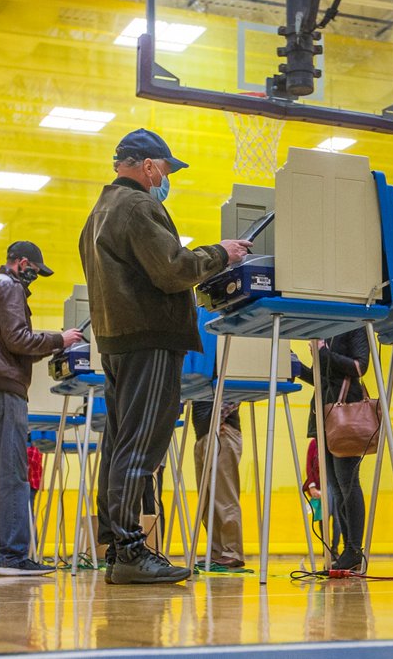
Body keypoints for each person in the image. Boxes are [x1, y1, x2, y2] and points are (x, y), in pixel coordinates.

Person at [79, 127, 249, 585]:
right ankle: (132, 551)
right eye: (166, 169)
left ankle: (118, 548)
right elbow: (173, 270)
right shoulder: (137, 206)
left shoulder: (98, 212)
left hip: (117, 341)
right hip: (149, 338)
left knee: (118, 443)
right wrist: (221, 254)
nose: (166, 178)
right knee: (143, 443)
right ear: (148, 165)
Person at [0, 241, 83, 577]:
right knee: (13, 472)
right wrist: (59, 340)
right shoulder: (9, 288)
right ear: (22, 263)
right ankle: (12, 556)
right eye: (35, 272)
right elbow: (18, 339)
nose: (34, 278)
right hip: (3, 389)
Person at [298, 330, 372, 573]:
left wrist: (323, 352)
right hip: (325, 413)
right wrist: (299, 368)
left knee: (348, 483)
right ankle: (347, 552)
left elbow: (360, 367)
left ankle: (354, 549)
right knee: (337, 488)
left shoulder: (355, 326)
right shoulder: (323, 332)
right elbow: (324, 378)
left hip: (345, 413)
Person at [192, 400, 245, 570]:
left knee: (224, 498)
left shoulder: (225, 371)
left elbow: (234, 392)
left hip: (221, 431)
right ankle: (216, 551)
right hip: (204, 433)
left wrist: (218, 418)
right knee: (207, 502)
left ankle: (232, 552)